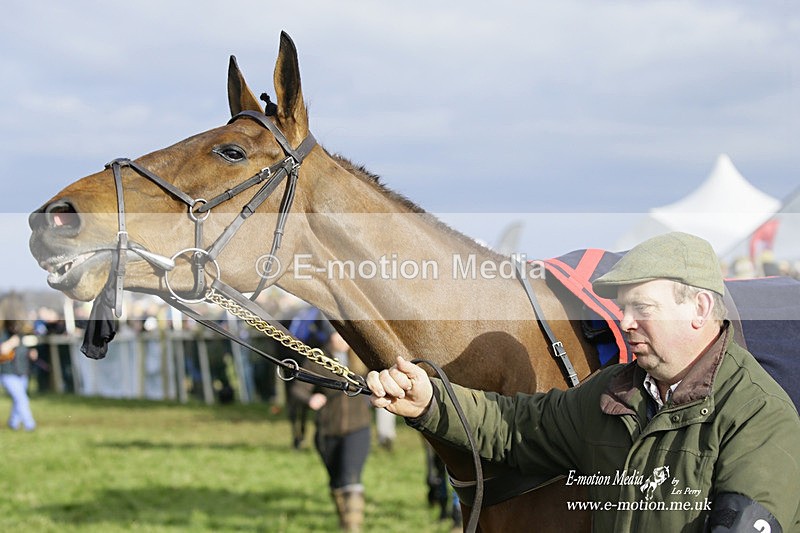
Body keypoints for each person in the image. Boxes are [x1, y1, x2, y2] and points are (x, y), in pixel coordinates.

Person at [367, 232, 800, 532]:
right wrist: (430, 401)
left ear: (700, 308)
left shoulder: (758, 414)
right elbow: (516, 425)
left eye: (642, 307)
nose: (625, 322)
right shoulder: (614, 391)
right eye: (623, 308)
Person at [292, 330, 372, 532]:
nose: (341, 339)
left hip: (357, 429)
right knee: (336, 482)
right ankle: (345, 523)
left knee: (350, 478)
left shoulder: (361, 360)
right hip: (327, 431)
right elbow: (298, 389)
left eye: (344, 335)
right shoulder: (317, 360)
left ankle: (353, 528)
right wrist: (310, 399)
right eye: (336, 334)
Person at [0, 319, 37, 432]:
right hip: (8, 372)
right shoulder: (3, 334)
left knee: (18, 400)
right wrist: (11, 343)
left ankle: (13, 422)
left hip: (22, 372)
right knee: (22, 399)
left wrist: (32, 353)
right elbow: (3, 350)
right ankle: (30, 425)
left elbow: (29, 351)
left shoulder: (23, 336)